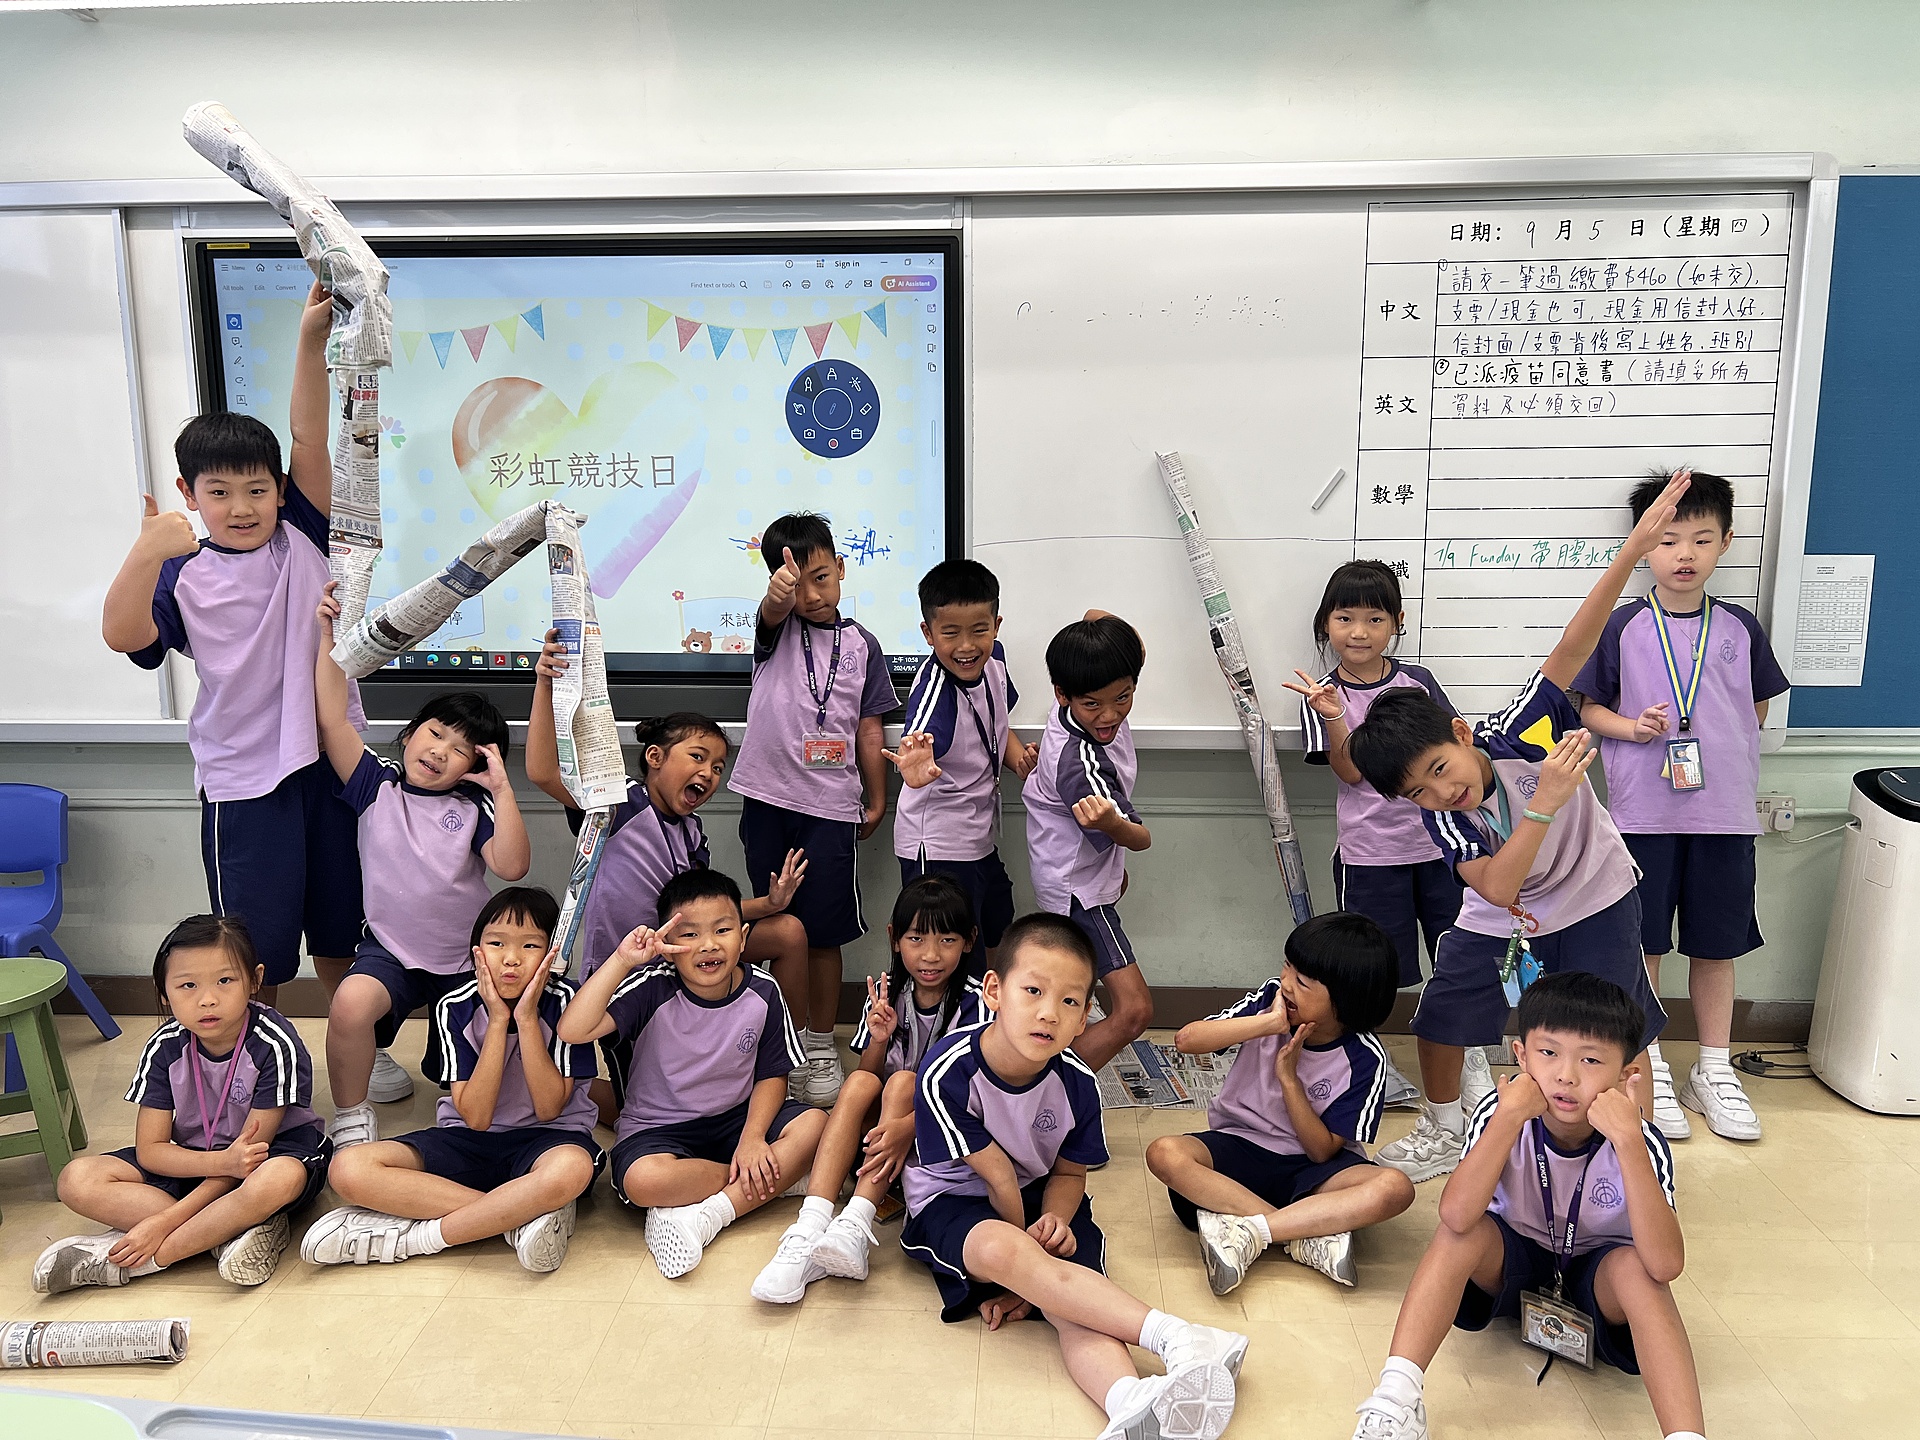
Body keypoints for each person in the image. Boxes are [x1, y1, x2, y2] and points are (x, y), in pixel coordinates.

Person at [1345, 470, 1692, 1183]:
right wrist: (1544, 804)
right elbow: (1500, 888)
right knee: (1440, 1014)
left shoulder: (1518, 732)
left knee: (1614, 1026)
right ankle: (1445, 1129)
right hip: (1509, 913)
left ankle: (1634, 1158)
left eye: (1441, 768)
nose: (1443, 792)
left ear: (1460, 732)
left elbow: (1573, 645)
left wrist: (1633, 551)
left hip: (1596, 893)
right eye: (1419, 792)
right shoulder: (1444, 821)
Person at [101, 282, 362, 1008]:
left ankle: (361, 1054)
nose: (241, 507)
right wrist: (145, 550)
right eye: (219, 492)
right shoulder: (180, 570)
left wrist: (310, 338)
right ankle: (262, 1055)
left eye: (256, 490)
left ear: (279, 489)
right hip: (244, 783)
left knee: (343, 934)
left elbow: (309, 437)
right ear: (189, 493)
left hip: (333, 765)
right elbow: (124, 637)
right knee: (256, 953)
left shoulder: (303, 532)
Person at [902, 913, 1246, 1440]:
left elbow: (1068, 1172)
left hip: (1040, 1193)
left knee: (1075, 1302)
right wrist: (1028, 1270)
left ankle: (1128, 1403)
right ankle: (1180, 1337)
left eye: (1069, 1001)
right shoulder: (947, 1071)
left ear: (1086, 1017)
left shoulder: (1078, 1081)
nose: (1049, 1013)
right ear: (994, 991)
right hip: (957, 1198)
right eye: (1033, 991)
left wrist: (1058, 1222)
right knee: (1007, 1254)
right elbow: (998, 1180)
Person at [1350, 973, 1698, 1440]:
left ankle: (1685, 1436)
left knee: (1640, 1273)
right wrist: (1510, 1115)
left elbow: (1666, 1265)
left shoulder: (1641, 1141)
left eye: (1591, 1059)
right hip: (1512, 1264)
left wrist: (1629, 1141)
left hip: (1600, 1283)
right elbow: (1455, 1215)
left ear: (1625, 1074)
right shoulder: (1500, 1111)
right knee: (1462, 1235)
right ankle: (1397, 1397)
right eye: (1548, 1052)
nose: (1566, 1075)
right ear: (1521, 1055)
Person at [1573, 469, 1790, 1143]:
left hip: (1724, 819)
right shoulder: (1623, 624)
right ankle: (1651, 1065)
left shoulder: (1741, 627)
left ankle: (1714, 1067)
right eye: (1668, 541)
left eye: (1701, 538)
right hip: (1643, 817)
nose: (1684, 554)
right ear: (1646, 547)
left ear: (1726, 541)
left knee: (1716, 945)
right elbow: (1588, 709)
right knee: (1644, 945)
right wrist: (1633, 729)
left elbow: (1755, 709)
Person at [524, 676, 809, 1123]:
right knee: (637, 1104)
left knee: (788, 931)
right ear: (655, 758)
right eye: (698, 757)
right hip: (626, 974)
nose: (710, 773)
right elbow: (544, 772)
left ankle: (787, 1055)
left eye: (719, 767)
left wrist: (769, 905)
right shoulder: (620, 802)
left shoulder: (693, 834)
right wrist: (544, 684)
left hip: (683, 960)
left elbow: (705, 916)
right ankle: (551, 1085)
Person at [316, 588, 530, 1145]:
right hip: (391, 949)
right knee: (350, 1004)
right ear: (411, 733)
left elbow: (511, 867)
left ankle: (466, 1103)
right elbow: (332, 719)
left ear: (474, 766)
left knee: (487, 1035)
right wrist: (331, 641)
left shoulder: (474, 805)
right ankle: (351, 1113)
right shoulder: (376, 784)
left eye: (460, 749)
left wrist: (503, 789)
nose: (439, 751)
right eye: (435, 734)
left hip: (466, 959)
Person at [300, 888, 601, 1274]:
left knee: (571, 1169)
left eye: (530, 945)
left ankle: (419, 1238)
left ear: (551, 956)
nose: (510, 958)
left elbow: (548, 1108)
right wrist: (498, 1020)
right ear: (477, 953)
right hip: (469, 1139)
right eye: (496, 943)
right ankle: (517, 1217)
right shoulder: (455, 1006)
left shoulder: (567, 1001)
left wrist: (525, 1018)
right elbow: (476, 1117)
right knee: (347, 1168)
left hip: (549, 1140)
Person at [34, 915, 330, 1293]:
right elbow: (152, 1150)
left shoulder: (273, 1043)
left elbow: (247, 1157)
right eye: (188, 985)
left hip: (268, 1158)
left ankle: (141, 1262)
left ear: (254, 980)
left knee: (277, 1180)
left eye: (225, 981)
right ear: (164, 993)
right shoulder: (165, 1046)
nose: (207, 999)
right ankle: (229, 1231)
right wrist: (217, 1165)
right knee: (76, 1179)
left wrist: (162, 1223)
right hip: (200, 1161)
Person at [556, 867, 828, 1278]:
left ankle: (711, 1211)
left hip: (738, 1120)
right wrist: (623, 959)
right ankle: (772, 1181)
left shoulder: (763, 990)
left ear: (743, 937)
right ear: (667, 946)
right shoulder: (651, 987)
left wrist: (753, 1138)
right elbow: (572, 1030)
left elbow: (772, 1075)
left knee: (815, 1124)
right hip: (659, 1129)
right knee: (643, 1181)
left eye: (722, 930)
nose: (708, 945)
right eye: (689, 934)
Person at [1145, 912, 1415, 1294]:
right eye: (1287, 966)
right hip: (1240, 1146)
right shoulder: (1268, 1002)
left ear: (1345, 1001)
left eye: (1302, 982)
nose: (1286, 983)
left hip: (1312, 1170)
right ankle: (1305, 1233)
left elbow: (1321, 1151)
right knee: (1164, 1153)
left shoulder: (1365, 1058)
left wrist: (1289, 1080)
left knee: (1395, 1188)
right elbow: (1187, 1041)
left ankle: (1250, 1231)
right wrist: (1268, 1025)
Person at [726, 512, 898, 1106]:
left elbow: (869, 728)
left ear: (841, 569)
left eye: (821, 577)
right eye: (796, 584)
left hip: (830, 808)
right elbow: (772, 612)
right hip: (768, 801)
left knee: (823, 934)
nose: (812, 595)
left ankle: (820, 1044)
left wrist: (878, 796)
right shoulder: (775, 630)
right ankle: (783, 1043)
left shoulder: (862, 645)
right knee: (776, 928)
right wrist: (777, 597)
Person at [1284, 561, 1467, 1114]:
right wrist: (1335, 716)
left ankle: (1469, 1060)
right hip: (1369, 856)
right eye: (1345, 618)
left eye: (1374, 618)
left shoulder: (1418, 682)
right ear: (1325, 623)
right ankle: (1369, 1064)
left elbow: (1452, 751)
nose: (1359, 632)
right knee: (1368, 971)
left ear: (1397, 622)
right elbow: (1350, 773)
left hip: (1440, 847)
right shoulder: (1321, 695)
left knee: (1457, 955)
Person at [751, 873, 986, 1303]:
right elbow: (868, 1077)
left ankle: (857, 1223)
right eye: (916, 939)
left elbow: (976, 1100)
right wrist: (879, 1039)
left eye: (947, 940)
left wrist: (907, 1127)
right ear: (894, 938)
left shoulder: (979, 1004)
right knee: (862, 1080)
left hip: (946, 1139)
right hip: (882, 1140)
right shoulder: (886, 993)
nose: (930, 955)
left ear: (969, 941)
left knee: (903, 1084)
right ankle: (810, 1225)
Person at [888, 558, 1039, 976]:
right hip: (938, 844)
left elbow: (997, 724)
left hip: (977, 834)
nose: (967, 646)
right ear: (928, 634)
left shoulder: (996, 661)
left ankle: (985, 1008)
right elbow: (916, 745)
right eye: (951, 633)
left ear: (996, 626)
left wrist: (1019, 761)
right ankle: (940, 1016)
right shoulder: (936, 692)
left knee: (998, 921)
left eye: (979, 630)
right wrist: (914, 768)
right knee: (945, 954)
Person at [1022, 611, 1153, 1074]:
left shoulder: (1080, 697)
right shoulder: (1081, 764)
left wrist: (1111, 636)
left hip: (1073, 873)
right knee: (1135, 1011)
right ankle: (1047, 1083)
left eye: (1123, 697)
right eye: (1093, 704)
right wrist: (1116, 825)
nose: (1110, 715)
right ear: (1063, 694)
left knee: (1073, 991)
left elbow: (1095, 616)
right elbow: (1141, 840)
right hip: (1078, 891)